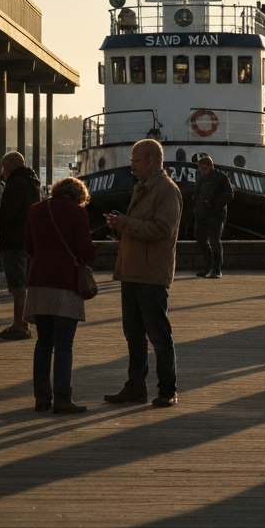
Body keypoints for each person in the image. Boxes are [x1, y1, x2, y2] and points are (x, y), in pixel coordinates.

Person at [102, 139, 183, 408]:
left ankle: (167, 389)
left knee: (159, 334)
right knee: (133, 334)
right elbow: (141, 226)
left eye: (135, 161)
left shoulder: (167, 190)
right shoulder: (143, 187)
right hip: (132, 270)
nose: (132, 165)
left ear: (150, 160)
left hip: (150, 273)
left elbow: (163, 229)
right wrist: (121, 224)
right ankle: (135, 387)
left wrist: (128, 223)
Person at [23, 176, 98, 414]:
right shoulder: (77, 212)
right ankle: (63, 398)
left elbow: (28, 245)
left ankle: (41, 397)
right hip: (65, 283)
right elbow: (85, 249)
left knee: (43, 342)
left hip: (38, 282)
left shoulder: (36, 210)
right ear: (78, 196)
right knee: (64, 344)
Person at [0, 151, 41, 341]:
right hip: (28, 239)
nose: (3, 172)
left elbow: (8, 213)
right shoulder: (32, 183)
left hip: (14, 241)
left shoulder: (15, 184)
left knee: (17, 286)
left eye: (4, 167)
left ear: (11, 165)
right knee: (23, 283)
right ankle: (24, 322)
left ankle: (20, 325)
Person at [194, 155, 234, 278]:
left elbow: (229, 194)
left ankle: (216, 269)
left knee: (214, 240)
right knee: (201, 239)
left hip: (215, 215)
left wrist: (214, 203)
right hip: (202, 214)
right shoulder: (202, 178)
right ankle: (208, 266)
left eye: (204, 169)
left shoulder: (221, 177)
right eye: (200, 169)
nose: (202, 171)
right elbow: (198, 193)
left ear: (210, 166)